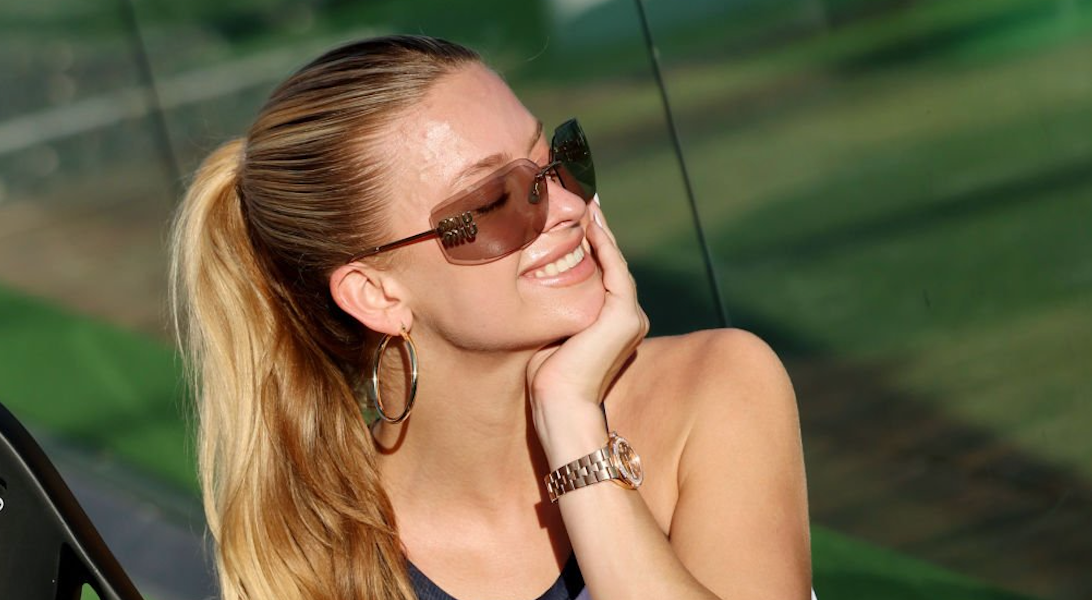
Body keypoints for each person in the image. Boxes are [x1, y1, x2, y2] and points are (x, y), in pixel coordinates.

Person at [170, 35, 810, 600]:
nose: (566, 207)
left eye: (556, 159)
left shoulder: (714, 389)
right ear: (377, 295)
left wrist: (573, 425)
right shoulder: (316, 556)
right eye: (492, 203)